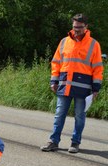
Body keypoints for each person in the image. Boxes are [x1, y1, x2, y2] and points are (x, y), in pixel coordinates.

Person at [41, 13, 104, 153]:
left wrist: (96, 88)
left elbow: (98, 68)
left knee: (80, 117)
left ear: (86, 27)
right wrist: (53, 80)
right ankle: (53, 141)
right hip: (64, 85)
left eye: (79, 28)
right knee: (59, 114)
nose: (76, 30)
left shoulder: (94, 44)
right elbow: (56, 62)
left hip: (83, 88)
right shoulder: (64, 41)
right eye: (74, 27)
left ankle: (75, 143)